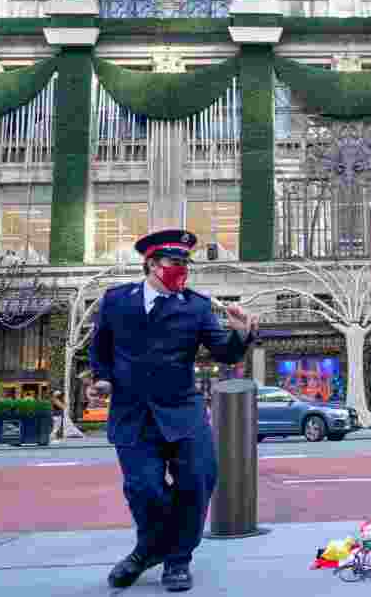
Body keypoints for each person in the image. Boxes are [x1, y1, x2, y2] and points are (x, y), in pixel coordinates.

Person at [89, 229, 258, 592]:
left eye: (185, 263)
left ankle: (177, 560)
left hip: (182, 411)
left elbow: (225, 353)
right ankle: (150, 549)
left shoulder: (195, 306)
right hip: (132, 414)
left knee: (197, 482)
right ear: (150, 264)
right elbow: (100, 349)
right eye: (174, 262)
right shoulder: (117, 300)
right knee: (144, 488)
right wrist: (102, 379)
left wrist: (241, 334)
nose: (181, 270)